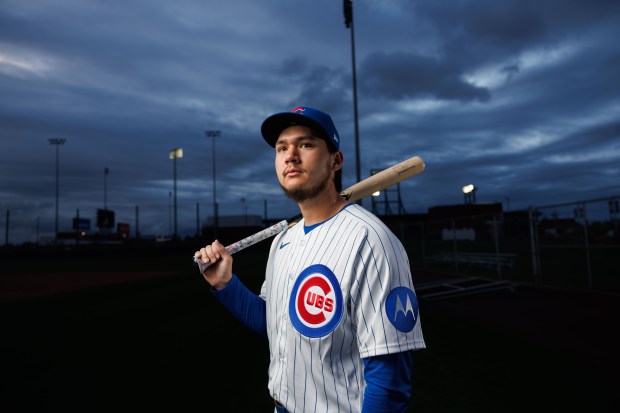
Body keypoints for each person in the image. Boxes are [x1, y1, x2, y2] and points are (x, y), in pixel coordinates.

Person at [194, 106, 425, 413]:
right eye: (281, 148)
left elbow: (389, 377)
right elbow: (274, 322)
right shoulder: (282, 242)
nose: (291, 155)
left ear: (336, 161)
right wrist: (225, 284)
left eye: (305, 144)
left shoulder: (371, 240)